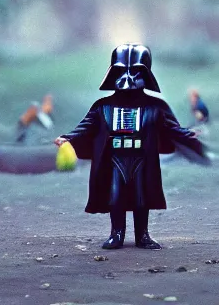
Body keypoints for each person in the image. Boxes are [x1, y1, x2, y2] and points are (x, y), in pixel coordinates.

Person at [54, 44, 208, 250]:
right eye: (121, 71)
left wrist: (190, 134)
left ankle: (142, 235)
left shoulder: (155, 106)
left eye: (135, 71)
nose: (128, 78)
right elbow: (86, 126)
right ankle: (116, 234)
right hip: (115, 158)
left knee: (141, 198)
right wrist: (67, 138)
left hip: (142, 158)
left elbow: (172, 128)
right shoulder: (103, 106)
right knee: (115, 197)